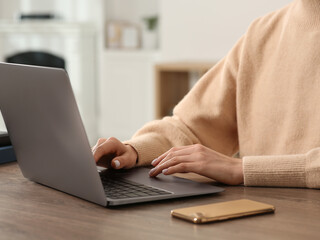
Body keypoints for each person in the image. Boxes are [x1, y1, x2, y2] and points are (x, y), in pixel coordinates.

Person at [92, 0, 320, 188]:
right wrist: (135, 151)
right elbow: (191, 128)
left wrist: (241, 169)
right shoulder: (262, 32)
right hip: (261, 216)